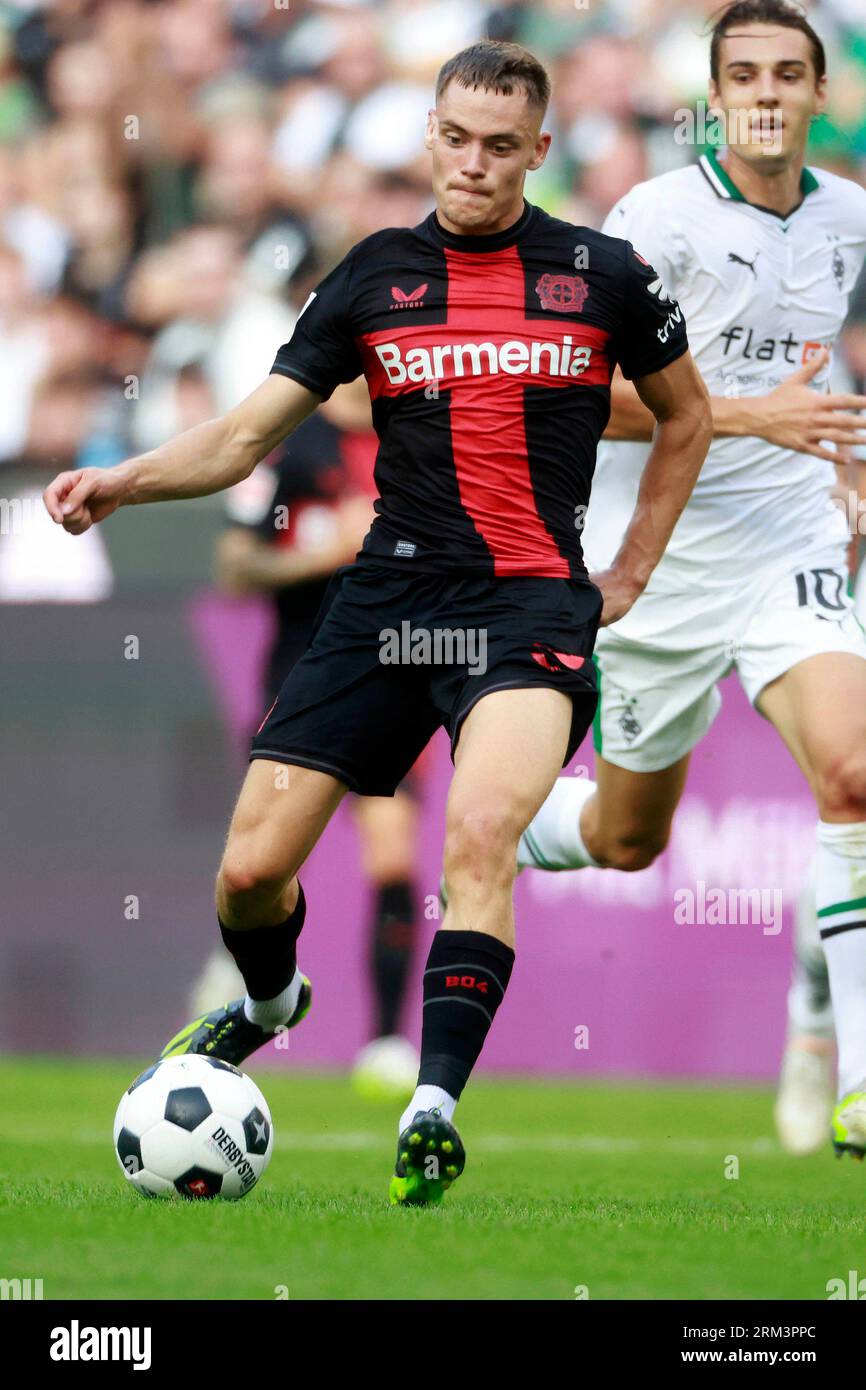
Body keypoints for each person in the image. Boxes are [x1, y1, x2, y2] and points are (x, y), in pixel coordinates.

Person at [44, 39, 711, 1205]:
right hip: (389, 606)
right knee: (249, 873)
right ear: (429, 138)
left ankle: (432, 1103)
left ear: (538, 151)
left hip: (524, 609)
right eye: (454, 138)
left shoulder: (603, 273)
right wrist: (124, 479)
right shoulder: (372, 275)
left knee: (477, 838)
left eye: (500, 146)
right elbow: (245, 436)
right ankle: (269, 1004)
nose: (472, 163)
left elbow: (684, 418)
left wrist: (633, 568)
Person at [515, 1, 866, 1159]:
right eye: (742, 76)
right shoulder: (653, 222)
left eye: (787, 74)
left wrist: (850, 472)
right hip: (655, 564)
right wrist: (747, 413)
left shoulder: (850, 222)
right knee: (626, 841)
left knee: (852, 776)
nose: (765, 93)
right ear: (713, 101)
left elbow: (832, 378)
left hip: (789, 544)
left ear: (820, 96)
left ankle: (850, 1058)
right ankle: (512, 817)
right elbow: (575, 394)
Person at [194, 379, 426, 1099]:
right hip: (301, 681)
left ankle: (387, 1040)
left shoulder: (415, 433)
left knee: (393, 852)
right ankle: (252, 977)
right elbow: (234, 566)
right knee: (265, 864)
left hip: (397, 671)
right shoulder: (292, 443)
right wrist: (324, 552)